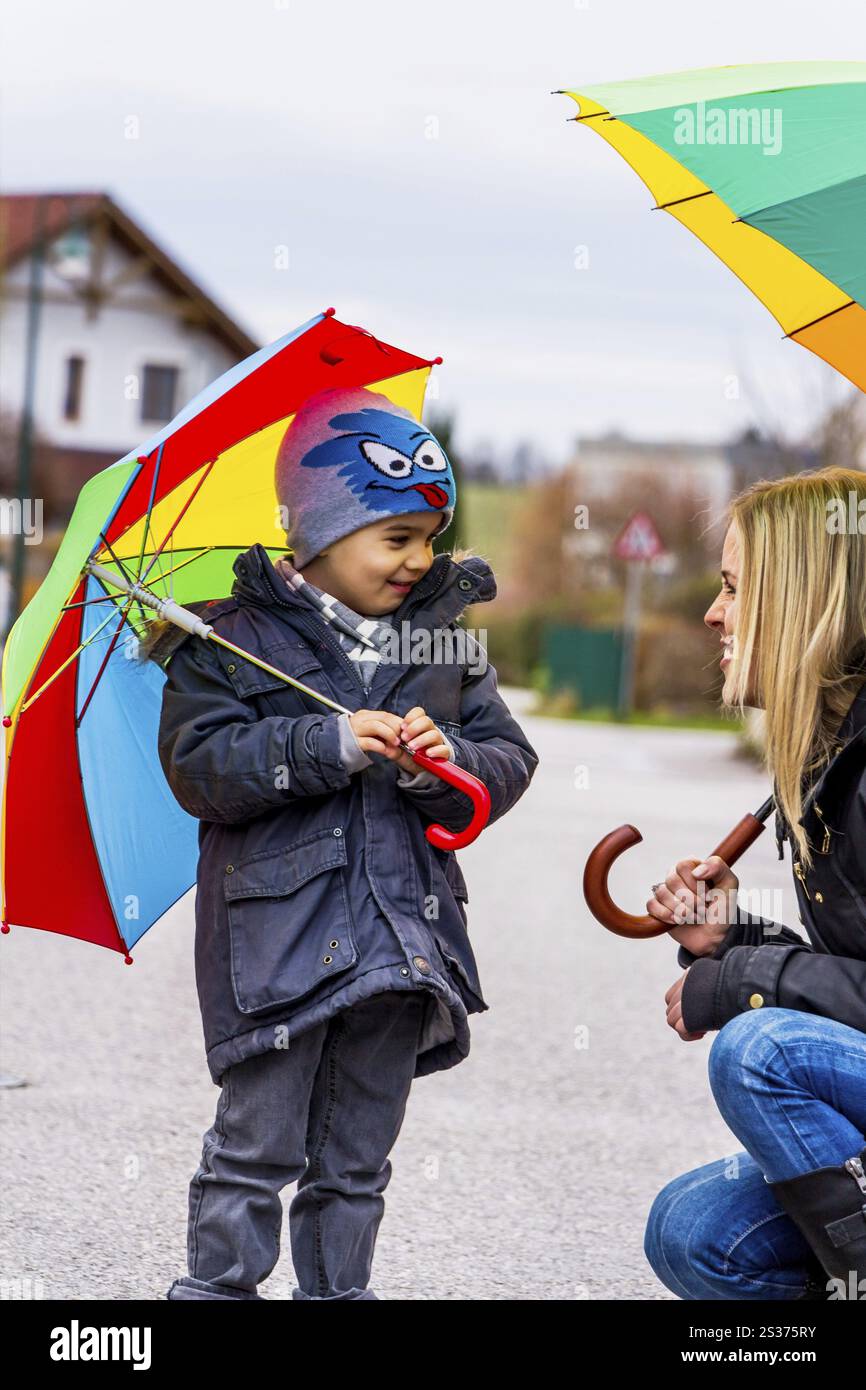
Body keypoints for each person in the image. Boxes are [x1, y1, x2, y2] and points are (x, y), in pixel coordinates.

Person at [142, 384, 538, 1300]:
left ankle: (337, 1293)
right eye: (396, 537)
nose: (419, 559)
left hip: (406, 942)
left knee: (358, 1160)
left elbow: (509, 760)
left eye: (431, 538)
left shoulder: (442, 645)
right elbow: (200, 767)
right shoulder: (227, 643)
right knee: (258, 1144)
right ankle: (217, 1290)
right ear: (319, 533)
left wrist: (444, 761)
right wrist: (323, 744)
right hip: (281, 946)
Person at [642, 466, 866, 1302]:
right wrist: (733, 937)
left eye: (735, 588)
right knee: (694, 1234)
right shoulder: (829, 757)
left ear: (807, 598)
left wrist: (741, 981)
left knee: (760, 1050)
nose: (712, 613)